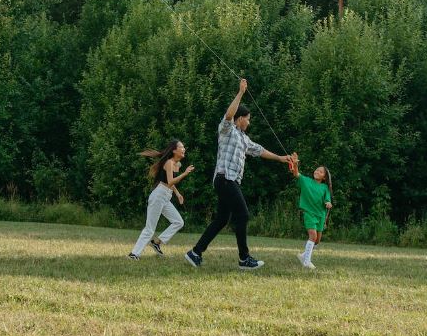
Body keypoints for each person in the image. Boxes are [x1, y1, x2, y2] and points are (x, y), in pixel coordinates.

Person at [185, 79, 291, 270]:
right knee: (242, 214)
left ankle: (195, 253)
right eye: (248, 118)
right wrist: (241, 92)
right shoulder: (227, 130)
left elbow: (259, 150)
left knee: (222, 219)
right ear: (240, 118)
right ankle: (244, 259)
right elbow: (228, 115)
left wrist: (281, 158)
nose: (249, 122)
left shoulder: (244, 138)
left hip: (229, 181)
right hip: (225, 179)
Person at [128, 140, 194, 260]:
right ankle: (134, 254)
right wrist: (184, 174)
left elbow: (170, 182)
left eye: (184, 147)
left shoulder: (177, 164)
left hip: (165, 196)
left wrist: (178, 194)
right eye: (181, 147)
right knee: (150, 228)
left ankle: (157, 242)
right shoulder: (169, 163)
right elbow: (170, 182)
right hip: (159, 195)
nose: (184, 149)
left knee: (179, 222)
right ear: (174, 150)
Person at [289, 152, 332, 269]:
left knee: (317, 241)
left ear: (324, 177)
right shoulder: (306, 181)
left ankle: (303, 255)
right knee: (312, 236)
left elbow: (327, 199)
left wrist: (328, 203)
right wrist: (295, 164)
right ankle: (307, 261)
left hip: (321, 215)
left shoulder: (325, 187)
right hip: (309, 213)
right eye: (316, 170)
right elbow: (296, 173)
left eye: (320, 171)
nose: (317, 172)